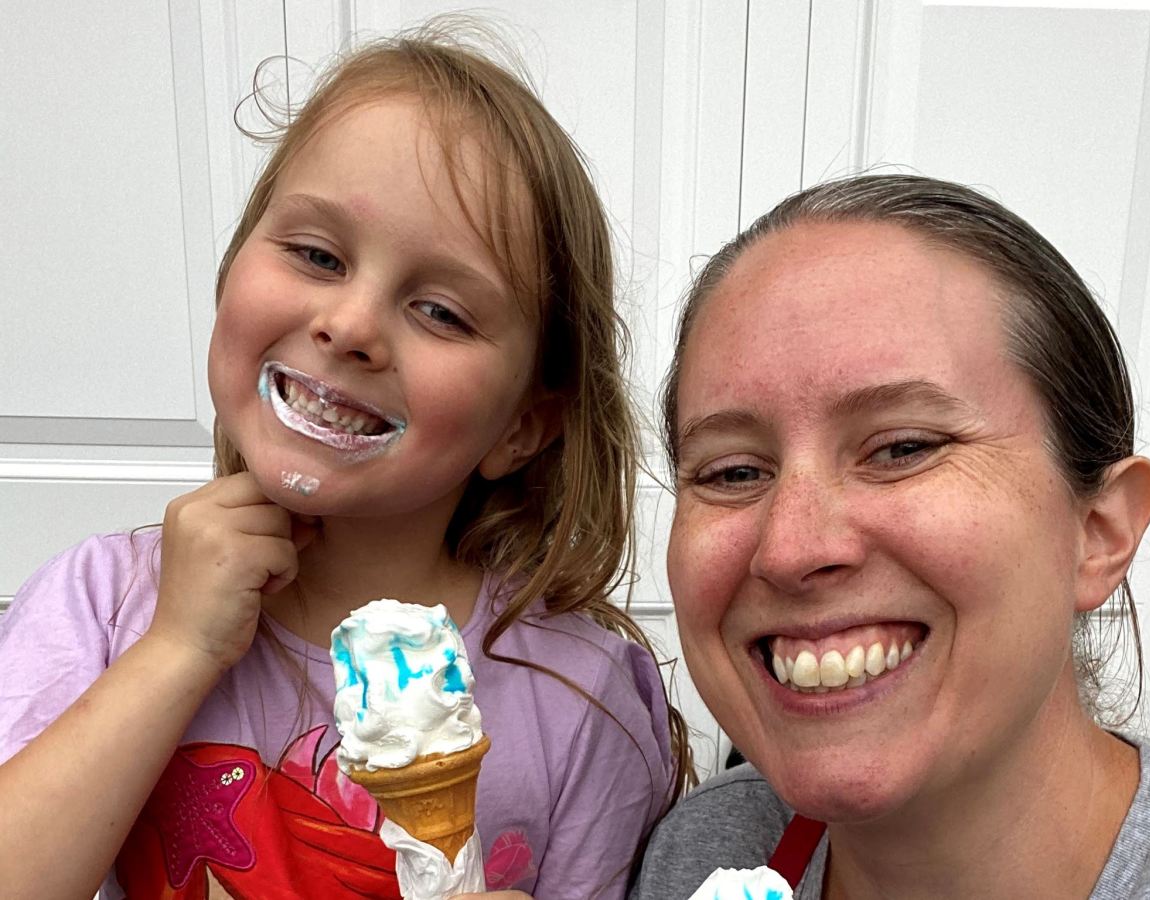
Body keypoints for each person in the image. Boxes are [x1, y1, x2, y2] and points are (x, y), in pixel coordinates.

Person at [0, 24, 692, 900]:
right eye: (317, 255)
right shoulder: (101, 609)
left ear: (522, 425)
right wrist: (175, 651)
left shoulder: (580, 698)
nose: (352, 325)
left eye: (441, 311)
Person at [631, 174, 1150, 898]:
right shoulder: (702, 850)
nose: (791, 548)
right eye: (734, 470)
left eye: (903, 448)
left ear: (1100, 530)